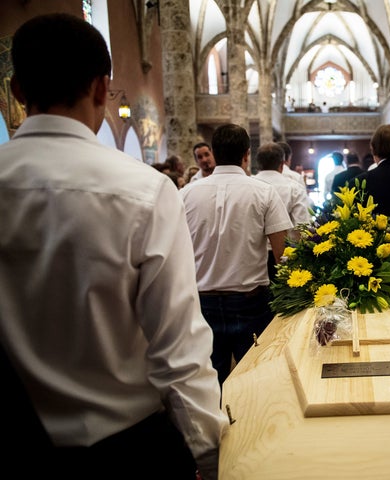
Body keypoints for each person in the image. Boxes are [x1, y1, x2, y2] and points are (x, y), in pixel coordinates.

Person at [0, 13, 226, 479]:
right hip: (123, 449)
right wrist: (208, 451)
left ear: (17, 90)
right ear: (103, 88)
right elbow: (177, 349)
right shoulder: (144, 191)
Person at [180, 124, 293, 387]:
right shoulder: (263, 191)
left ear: (214, 154)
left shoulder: (185, 194)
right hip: (251, 303)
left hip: (201, 303)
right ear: (246, 154)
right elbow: (283, 256)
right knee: (254, 381)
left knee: (208, 384)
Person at [254, 142, 312, 279]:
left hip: (253, 254)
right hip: (285, 253)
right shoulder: (294, 188)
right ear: (282, 164)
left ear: (258, 164)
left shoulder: (248, 185)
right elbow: (301, 226)